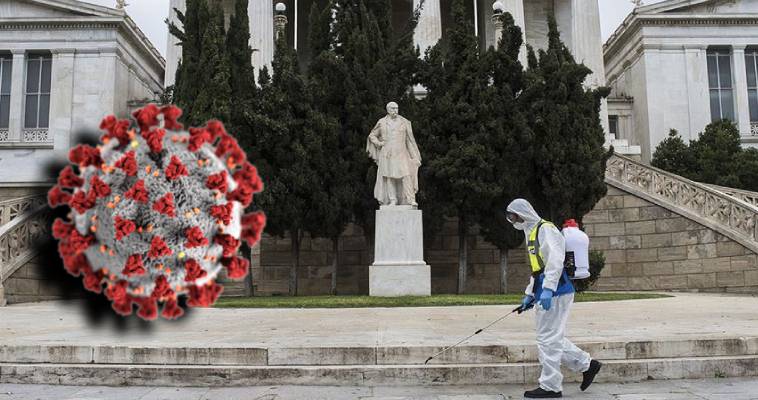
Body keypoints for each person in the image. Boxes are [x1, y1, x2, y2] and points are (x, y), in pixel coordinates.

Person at [506, 199, 602, 399]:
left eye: (513, 216)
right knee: (551, 337)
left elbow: (555, 262)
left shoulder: (545, 229)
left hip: (557, 290)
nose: (512, 220)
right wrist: (530, 294)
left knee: (547, 339)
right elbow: (537, 269)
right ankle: (587, 364)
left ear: (522, 213)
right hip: (547, 289)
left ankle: (551, 386)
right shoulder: (531, 231)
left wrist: (548, 290)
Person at [366, 102, 422, 206]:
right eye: (393, 108)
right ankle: (393, 200)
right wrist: (379, 143)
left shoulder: (404, 122)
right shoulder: (382, 122)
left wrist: (414, 156)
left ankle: (410, 199)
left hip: (402, 153)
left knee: (406, 175)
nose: (395, 110)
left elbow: (409, 141)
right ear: (388, 110)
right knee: (389, 177)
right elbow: (372, 135)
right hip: (387, 154)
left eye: (396, 108)